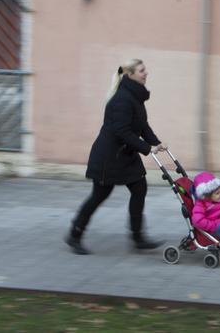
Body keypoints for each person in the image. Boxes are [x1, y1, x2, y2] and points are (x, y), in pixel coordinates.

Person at [65, 59, 165, 254]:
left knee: (139, 188)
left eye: (145, 70)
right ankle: (74, 234)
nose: (146, 73)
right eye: (142, 70)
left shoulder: (135, 97)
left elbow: (142, 125)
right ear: (130, 75)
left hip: (125, 155)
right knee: (99, 195)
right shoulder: (122, 99)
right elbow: (122, 131)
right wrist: (146, 148)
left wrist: (156, 142)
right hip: (108, 157)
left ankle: (138, 237)